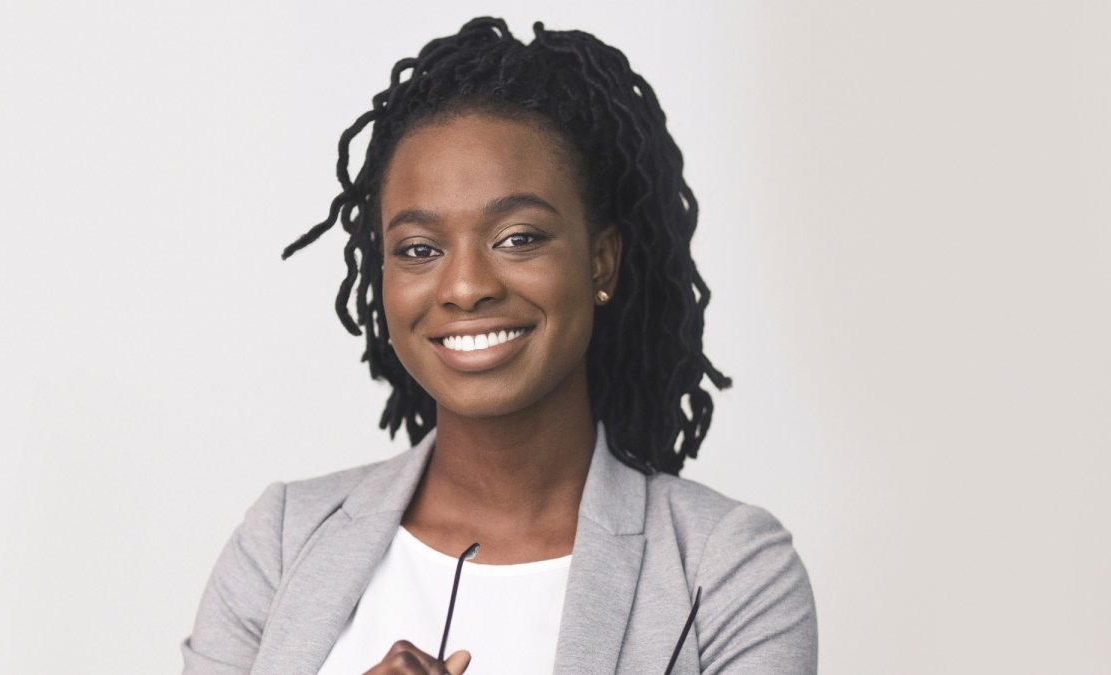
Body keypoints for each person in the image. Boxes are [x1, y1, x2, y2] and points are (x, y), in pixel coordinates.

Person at [181, 17, 816, 675]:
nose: (465, 287)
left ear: (600, 262)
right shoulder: (284, 540)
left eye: (518, 238)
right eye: (418, 249)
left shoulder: (727, 570)